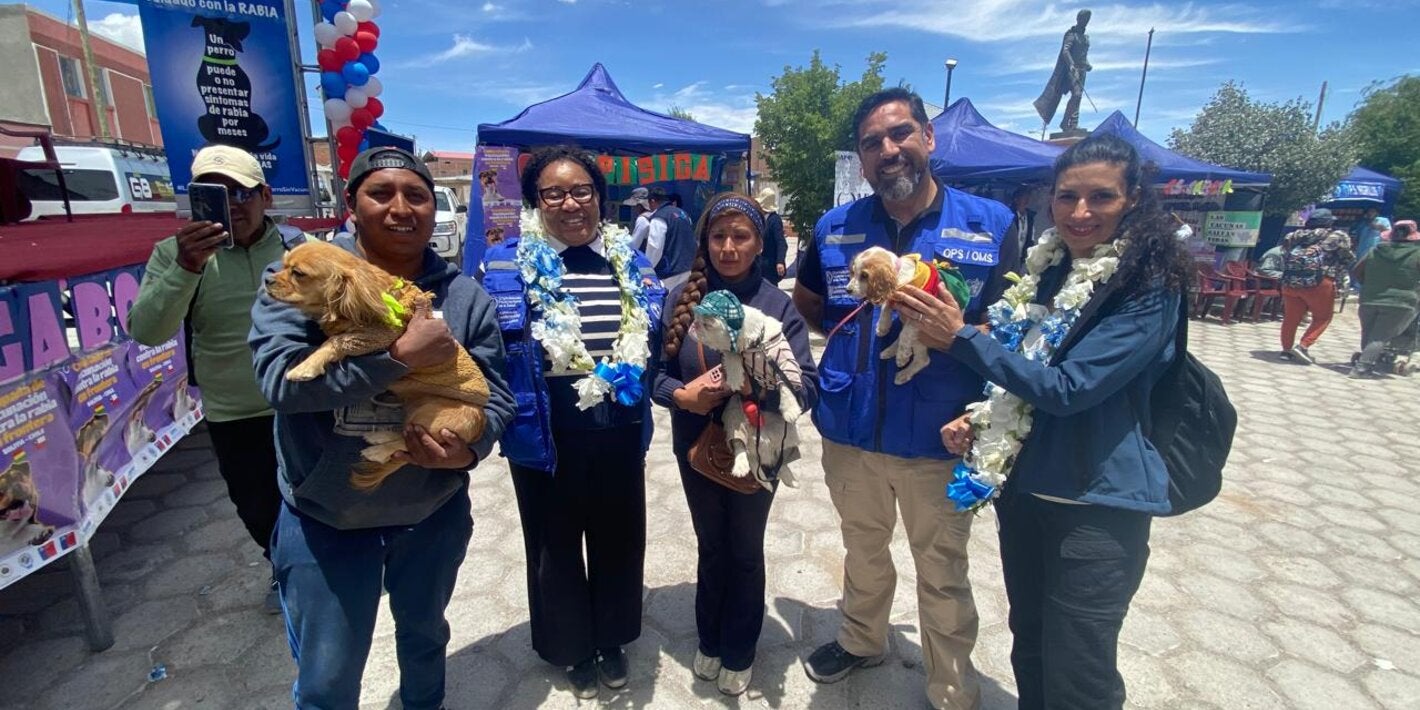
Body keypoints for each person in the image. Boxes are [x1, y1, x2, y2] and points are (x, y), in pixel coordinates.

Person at [895, 133, 1193, 710]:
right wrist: (980, 418)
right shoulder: (1050, 269)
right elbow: (1024, 364)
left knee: (1079, 669)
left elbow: (1069, 387)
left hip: (1095, 508)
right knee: (1030, 644)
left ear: (1133, 199)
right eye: (1067, 196)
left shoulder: (1146, 285)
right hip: (1027, 496)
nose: (1080, 212)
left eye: (1101, 197)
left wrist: (960, 337)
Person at [248, 147, 515, 710]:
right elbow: (280, 385)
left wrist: (466, 453)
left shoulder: (464, 296)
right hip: (328, 519)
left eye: (416, 195)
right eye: (381, 193)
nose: (401, 208)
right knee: (327, 679)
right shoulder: (305, 274)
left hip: (430, 514)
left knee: (425, 640)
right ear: (351, 203)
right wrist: (398, 359)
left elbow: (496, 398)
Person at [793, 87, 1022, 710]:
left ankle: (951, 689)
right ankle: (861, 639)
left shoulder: (991, 224)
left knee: (942, 569)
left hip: (939, 435)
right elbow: (810, 302)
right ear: (862, 159)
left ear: (928, 137)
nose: (888, 150)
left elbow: (1013, 327)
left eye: (900, 134)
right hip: (852, 430)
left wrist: (959, 338)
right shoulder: (836, 228)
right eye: (873, 143)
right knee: (862, 549)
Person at [480, 146, 667, 699]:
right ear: (535, 202)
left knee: (620, 539)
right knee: (553, 546)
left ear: (599, 198)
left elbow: (654, 340)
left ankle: (611, 637)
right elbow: (485, 352)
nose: (570, 203)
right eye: (554, 193)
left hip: (619, 430)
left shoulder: (631, 262)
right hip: (546, 436)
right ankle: (570, 646)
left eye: (582, 190)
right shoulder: (505, 265)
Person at [651, 192, 817, 696]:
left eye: (740, 236)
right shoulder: (680, 299)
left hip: (759, 450)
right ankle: (709, 638)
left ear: (759, 244)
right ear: (705, 242)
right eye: (718, 236)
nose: (728, 247)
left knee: (744, 550)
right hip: (696, 447)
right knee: (711, 545)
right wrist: (682, 396)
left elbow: (807, 386)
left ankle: (740, 649)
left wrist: (758, 381)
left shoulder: (777, 306)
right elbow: (653, 376)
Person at [127, 144, 299, 614]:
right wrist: (187, 268)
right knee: (257, 505)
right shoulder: (175, 255)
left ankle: (331, 567)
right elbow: (146, 330)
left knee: (319, 493)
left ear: (265, 196)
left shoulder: (298, 248)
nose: (232, 207)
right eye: (213, 196)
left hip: (303, 403)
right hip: (234, 411)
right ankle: (282, 568)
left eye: (240, 193)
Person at [1278, 208, 1354, 364]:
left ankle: (1286, 351)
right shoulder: (1337, 237)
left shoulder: (1293, 235)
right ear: (1329, 222)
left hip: (1291, 281)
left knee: (1291, 318)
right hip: (1319, 282)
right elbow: (1348, 258)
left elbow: (1283, 253)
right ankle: (1303, 346)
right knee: (1323, 317)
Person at [1351, 220, 1420, 377]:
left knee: (1369, 334)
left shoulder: (1374, 251)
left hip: (1369, 298)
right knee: (1379, 336)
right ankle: (1362, 368)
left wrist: (1368, 285)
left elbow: (1356, 271)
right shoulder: (1417, 254)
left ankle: (1369, 357)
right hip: (1401, 302)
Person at [1033, 9, 1093, 134]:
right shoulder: (1071, 34)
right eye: (1084, 18)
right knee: (1076, 94)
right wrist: (1071, 65)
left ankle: (1071, 124)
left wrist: (1087, 64)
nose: (1086, 21)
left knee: (1078, 98)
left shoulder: (1086, 38)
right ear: (1078, 19)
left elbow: (1083, 55)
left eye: (1088, 19)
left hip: (1082, 71)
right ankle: (1066, 123)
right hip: (1071, 70)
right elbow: (1065, 51)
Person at [645, 186, 696, 290]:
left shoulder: (659, 217)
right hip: (689, 268)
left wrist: (647, 272)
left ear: (653, 201)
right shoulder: (683, 214)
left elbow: (655, 247)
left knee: (669, 299)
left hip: (670, 273)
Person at [754, 187, 789, 286]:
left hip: (769, 266)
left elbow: (781, 242)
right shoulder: (760, 219)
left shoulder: (774, 220)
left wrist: (780, 262)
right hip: (759, 265)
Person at [622, 186, 653, 251]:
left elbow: (635, 244)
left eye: (635, 206)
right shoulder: (652, 215)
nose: (634, 208)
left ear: (640, 206)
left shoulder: (642, 219)